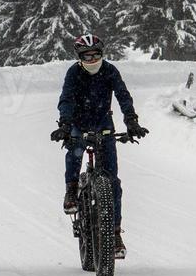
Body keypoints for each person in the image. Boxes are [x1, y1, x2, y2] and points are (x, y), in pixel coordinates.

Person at [50, 34, 147, 256]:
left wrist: (131, 121)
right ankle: (72, 189)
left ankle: (114, 235)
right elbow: (66, 99)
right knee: (74, 150)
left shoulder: (110, 71)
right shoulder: (74, 73)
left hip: (104, 122)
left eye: (95, 55)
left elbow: (123, 96)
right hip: (77, 121)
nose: (92, 59)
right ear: (80, 57)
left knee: (113, 182)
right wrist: (65, 124)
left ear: (102, 54)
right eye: (87, 56)